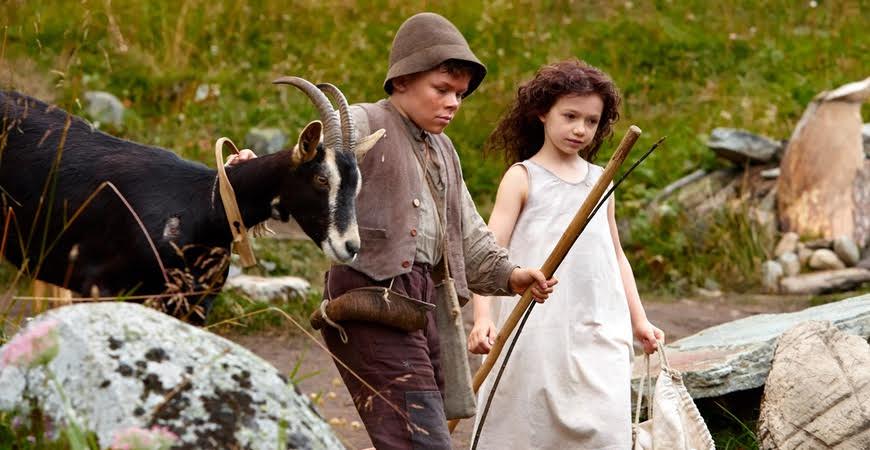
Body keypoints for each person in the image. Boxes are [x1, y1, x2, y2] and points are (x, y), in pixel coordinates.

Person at [234, 12, 557, 450]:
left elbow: (467, 234)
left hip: (425, 308)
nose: (453, 103)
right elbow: (307, 169)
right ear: (402, 80)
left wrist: (511, 275)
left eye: (460, 94)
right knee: (420, 440)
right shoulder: (362, 122)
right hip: (369, 302)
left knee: (419, 435)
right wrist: (254, 172)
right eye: (442, 89)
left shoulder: (444, 150)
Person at [466, 60, 665, 450]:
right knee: (528, 423)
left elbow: (616, 256)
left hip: (598, 323)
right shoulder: (522, 177)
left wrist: (639, 320)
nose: (580, 129)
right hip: (537, 326)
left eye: (591, 121)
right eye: (570, 116)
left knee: (604, 427)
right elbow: (488, 254)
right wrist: (483, 317)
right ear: (542, 113)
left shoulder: (600, 180)